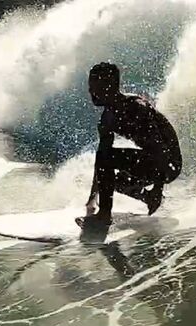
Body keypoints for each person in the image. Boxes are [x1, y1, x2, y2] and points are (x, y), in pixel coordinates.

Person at [77, 62, 182, 228]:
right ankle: (146, 197)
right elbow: (101, 163)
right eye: (90, 87)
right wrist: (92, 198)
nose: (90, 92)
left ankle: (104, 215)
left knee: (107, 157)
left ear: (109, 87)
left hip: (169, 164)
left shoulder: (136, 107)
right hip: (153, 163)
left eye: (95, 87)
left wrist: (158, 188)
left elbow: (159, 149)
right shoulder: (106, 119)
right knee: (112, 179)